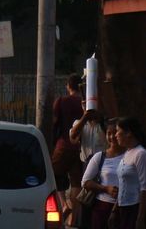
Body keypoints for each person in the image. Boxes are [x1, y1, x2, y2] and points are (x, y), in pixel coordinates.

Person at [52, 75, 88, 208]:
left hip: (63, 145)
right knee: (76, 182)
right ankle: (75, 213)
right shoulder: (85, 103)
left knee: (54, 174)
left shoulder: (61, 101)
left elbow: (54, 123)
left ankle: (63, 204)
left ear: (68, 86)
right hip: (81, 148)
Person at [79, 120, 122, 229]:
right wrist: (105, 188)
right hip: (102, 208)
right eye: (109, 133)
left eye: (115, 133)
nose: (112, 137)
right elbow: (85, 182)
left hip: (123, 208)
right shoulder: (99, 157)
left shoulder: (130, 156)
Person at [113, 116, 146, 229]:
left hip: (136, 208)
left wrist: (140, 218)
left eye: (118, 132)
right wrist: (114, 210)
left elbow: (145, 188)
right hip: (124, 208)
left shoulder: (141, 154)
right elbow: (123, 184)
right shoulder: (127, 153)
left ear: (128, 133)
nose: (116, 135)